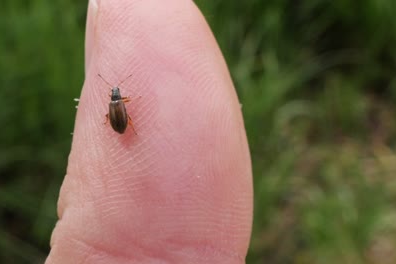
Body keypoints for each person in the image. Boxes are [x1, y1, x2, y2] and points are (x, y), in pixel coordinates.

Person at [46, 0, 253, 263]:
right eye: (116, 93)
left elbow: (115, 119)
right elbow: (117, 119)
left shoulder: (115, 105)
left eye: (117, 93)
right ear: (117, 97)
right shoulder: (117, 104)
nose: (117, 95)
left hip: (120, 126)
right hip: (122, 126)